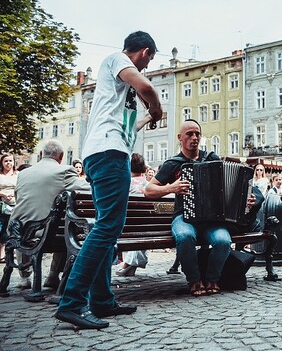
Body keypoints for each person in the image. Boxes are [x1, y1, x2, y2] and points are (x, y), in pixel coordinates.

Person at [55, 31, 162, 330]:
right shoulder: (118, 59)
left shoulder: (117, 92)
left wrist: (145, 119)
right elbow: (147, 87)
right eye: (149, 60)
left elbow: (130, 126)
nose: (146, 67)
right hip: (108, 152)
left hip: (106, 151)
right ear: (143, 51)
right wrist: (156, 108)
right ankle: (72, 302)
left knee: (107, 226)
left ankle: (102, 300)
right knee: (107, 227)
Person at [144, 119, 235, 296]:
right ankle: (194, 280)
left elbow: (227, 186)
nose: (194, 137)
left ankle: (212, 279)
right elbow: (148, 190)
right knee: (185, 236)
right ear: (180, 137)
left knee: (223, 241)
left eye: (197, 134)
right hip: (184, 216)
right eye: (189, 134)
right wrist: (171, 188)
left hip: (211, 219)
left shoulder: (211, 159)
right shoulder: (173, 164)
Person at [11, 140, 91, 290]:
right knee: (65, 231)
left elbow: (18, 198)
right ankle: (53, 275)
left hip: (16, 230)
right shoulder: (64, 171)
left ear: (41, 155)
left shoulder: (23, 173)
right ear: (61, 156)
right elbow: (87, 189)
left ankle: (24, 276)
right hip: (47, 232)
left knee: (25, 221)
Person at [117, 153, 150, 276]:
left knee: (137, 226)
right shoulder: (150, 186)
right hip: (152, 227)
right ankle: (129, 264)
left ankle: (128, 264)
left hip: (126, 226)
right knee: (143, 226)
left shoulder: (125, 184)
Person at [0, 154, 19, 263]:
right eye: (6, 161)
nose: (8, 163)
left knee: (7, 230)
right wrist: (2, 194)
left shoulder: (18, 175)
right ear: (2, 163)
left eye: (10, 161)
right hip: (1, 203)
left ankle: (4, 253)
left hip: (13, 205)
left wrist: (13, 194)